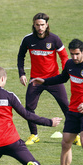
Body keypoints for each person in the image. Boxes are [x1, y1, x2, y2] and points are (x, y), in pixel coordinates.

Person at [31, 39, 83, 165]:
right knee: (65, 143)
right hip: (73, 110)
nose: (74, 57)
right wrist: (44, 81)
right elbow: (62, 78)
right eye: (72, 54)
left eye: (77, 54)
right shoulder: (69, 64)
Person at [17, 12, 79, 146]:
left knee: (66, 107)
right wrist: (22, 73)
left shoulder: (55, 39)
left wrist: (65, 73)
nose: (40, 27)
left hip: (53, 79)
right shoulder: (28, 40)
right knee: (29, 107)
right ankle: (34, 135)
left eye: (42, 25)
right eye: (37, 25)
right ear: (33, 25)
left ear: (47, 25)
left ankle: (74, 136)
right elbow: (20, 56)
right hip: (36, 80)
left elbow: (64, 56)